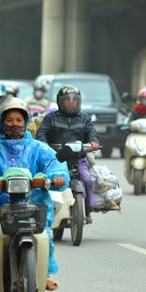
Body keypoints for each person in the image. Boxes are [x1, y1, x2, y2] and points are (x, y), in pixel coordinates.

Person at [0, 97, 69, 292]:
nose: (14, 124)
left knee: (45, 235)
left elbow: (55, 164)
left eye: (19, 119)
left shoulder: (39, 148)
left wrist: (57, 177)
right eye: (9, 120)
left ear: (26, 122)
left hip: (32, 201)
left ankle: (42, 273)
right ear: (1, 121)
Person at [36, 85, 100, 220]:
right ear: (60, 102)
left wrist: (94, 142)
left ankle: (88, 208)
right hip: (57, 159)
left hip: (78, 158)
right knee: (47, 182)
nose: (71, 103)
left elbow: (91, 132)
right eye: (67, 101)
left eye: (74, 101)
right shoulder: (50, 118)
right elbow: (42, 132)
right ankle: (47, 208)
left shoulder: (85, 118)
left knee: (87, 179)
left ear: (79, 101)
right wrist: (43, 143)